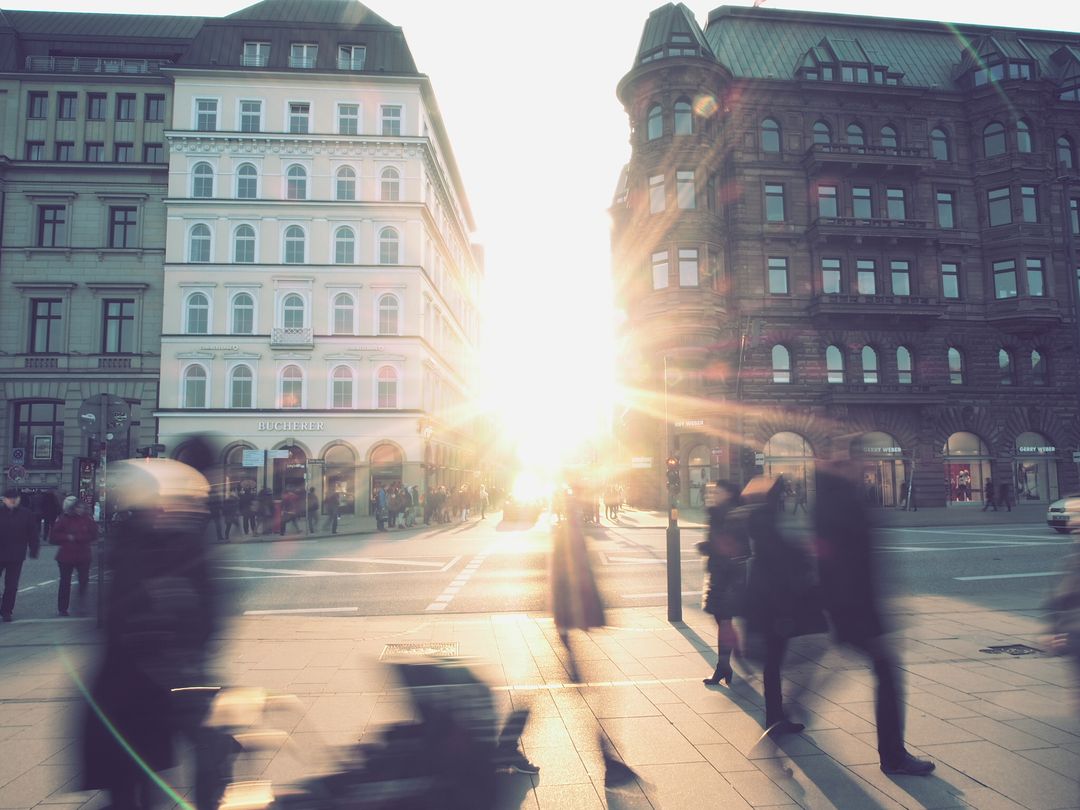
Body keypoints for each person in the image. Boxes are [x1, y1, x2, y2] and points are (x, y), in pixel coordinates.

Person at [82, 456, 226, 809]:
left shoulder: (153, 541)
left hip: (149, 685)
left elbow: (203, 611)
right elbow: (132, 617)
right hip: (140, 689)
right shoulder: (145, 546)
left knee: (140, 781)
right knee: (135, 781)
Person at [815, 460, 935, 776]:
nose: (861, 468)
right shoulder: (845, 505)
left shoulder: (829, 503)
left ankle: (787, 708)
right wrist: (870, 619)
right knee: (888, 677)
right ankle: (894, 756)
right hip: (858, 612)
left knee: (845, 674)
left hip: (848, 611)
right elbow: (855, 566)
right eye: (857, 462)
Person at [550, 483, 638, 789]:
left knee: (579, 693)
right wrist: (566, 625)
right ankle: (609, 764)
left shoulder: (568, 533)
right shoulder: (568, 536)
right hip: (572, 625)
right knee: (582, 693)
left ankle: (610, 762)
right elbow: (565, 580)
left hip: (575, 624)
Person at [737, 476, 825, 735]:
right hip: (776, 605)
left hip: (766, 604)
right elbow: (780, 561)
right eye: (781, 494)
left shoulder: (759, 519)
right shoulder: (768, 522)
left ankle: (776, 714)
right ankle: (778, 714)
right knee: (780, 660)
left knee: (774, 661)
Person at [698, 481, 748, 686]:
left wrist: (707, 547)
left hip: (728, 577)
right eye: (710, 491)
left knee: (724, 622)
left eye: (716, 491)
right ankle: (732, 659)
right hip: (719, 575)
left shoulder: (730, 515)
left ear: (727, 494)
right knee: (722, 621)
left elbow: (733, 546)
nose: (711, 494)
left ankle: (724, 666)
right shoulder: (716, 513)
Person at [50, 495, 96, 616]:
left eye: (82, 508)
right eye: (78, 508)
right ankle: (62, 608)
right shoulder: (64, 519)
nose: (80, 510)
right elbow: (54, 536)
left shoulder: (87, 519)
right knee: (65, 582)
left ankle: (82, 607)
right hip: (66, 556)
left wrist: (78, 537)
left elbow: (94, 535)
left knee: (83, 582)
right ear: (73, 508)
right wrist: (67, 537)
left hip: (83, 555)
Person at [0, 488, 40, 621]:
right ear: (4, 499)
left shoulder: (26, 514)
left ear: (19, 499)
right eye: (9, 498)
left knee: (11, 586)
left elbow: (32, 533)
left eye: (15, 498)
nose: (12, 500)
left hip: (16, 555)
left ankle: (6, 611)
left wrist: (34, 549)